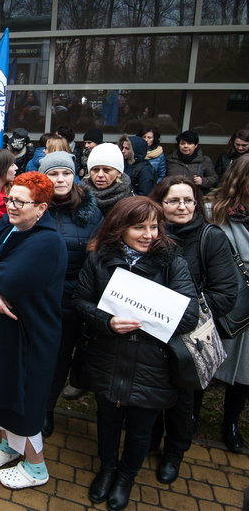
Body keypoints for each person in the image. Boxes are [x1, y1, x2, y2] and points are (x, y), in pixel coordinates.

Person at [74, 196, 198, 509]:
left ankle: (126, 477)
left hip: (152, 364)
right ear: (120, 228)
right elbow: (81, 301)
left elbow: (189, 316)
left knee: (141, 428)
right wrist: (108, 320)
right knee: (107, 420)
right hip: (108, 356)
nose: (148, 234)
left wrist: (143, 319)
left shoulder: (172, 261)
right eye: (139, 227)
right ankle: (108, 469)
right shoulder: (99, 259)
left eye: (154, 227)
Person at [0, 172, 66, 490]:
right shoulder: (10, 226)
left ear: (42, 209)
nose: (11, 206)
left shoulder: (47, 243)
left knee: (23, 401)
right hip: (1, 335)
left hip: (28, 340)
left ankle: (36, 467)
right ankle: (10, 446)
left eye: (21, 202)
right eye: (10, 199)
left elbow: (4, 279)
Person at [146, 176, 238, 478]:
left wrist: (177, 312)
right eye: (173, 200)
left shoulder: (211, 237)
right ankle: (150, 439)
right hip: (152, 331)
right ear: (160, 203)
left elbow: (225, 294)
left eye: (188, 200)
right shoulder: (149, 234)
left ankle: (174, 452)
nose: (182, 206)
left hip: (189, 337)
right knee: (152, 390)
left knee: (184, 401)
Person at [38, 152, 103, 437]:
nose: (61, 179)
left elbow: (97, 259)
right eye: (54, 174)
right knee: (33, 357)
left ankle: (46, 410)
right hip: (37, 300)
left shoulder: (92, 211)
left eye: (66, 173)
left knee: (58, 360)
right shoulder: (35, 207)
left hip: (71, 302)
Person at [206, 155, 249, 453]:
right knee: (204, 360)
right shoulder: (213, 213)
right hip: (220, 302)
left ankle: (231, 421)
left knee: (246, 369)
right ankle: (190, 415)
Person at [81, 143, 134, 216]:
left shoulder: (130, 203)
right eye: (95, 169)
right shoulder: (78, 197)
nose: (100, 175)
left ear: (119, 173)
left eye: (106, 170)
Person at [166, 130, 218, 194]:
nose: (185, 146)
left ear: (196, 145)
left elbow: (214, 178)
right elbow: (162, 179)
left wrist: (203, 181)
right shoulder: (170, 159)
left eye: (189, 143)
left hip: (195, 197)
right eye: (182, 143)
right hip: (173, 195)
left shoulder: (204, 160)